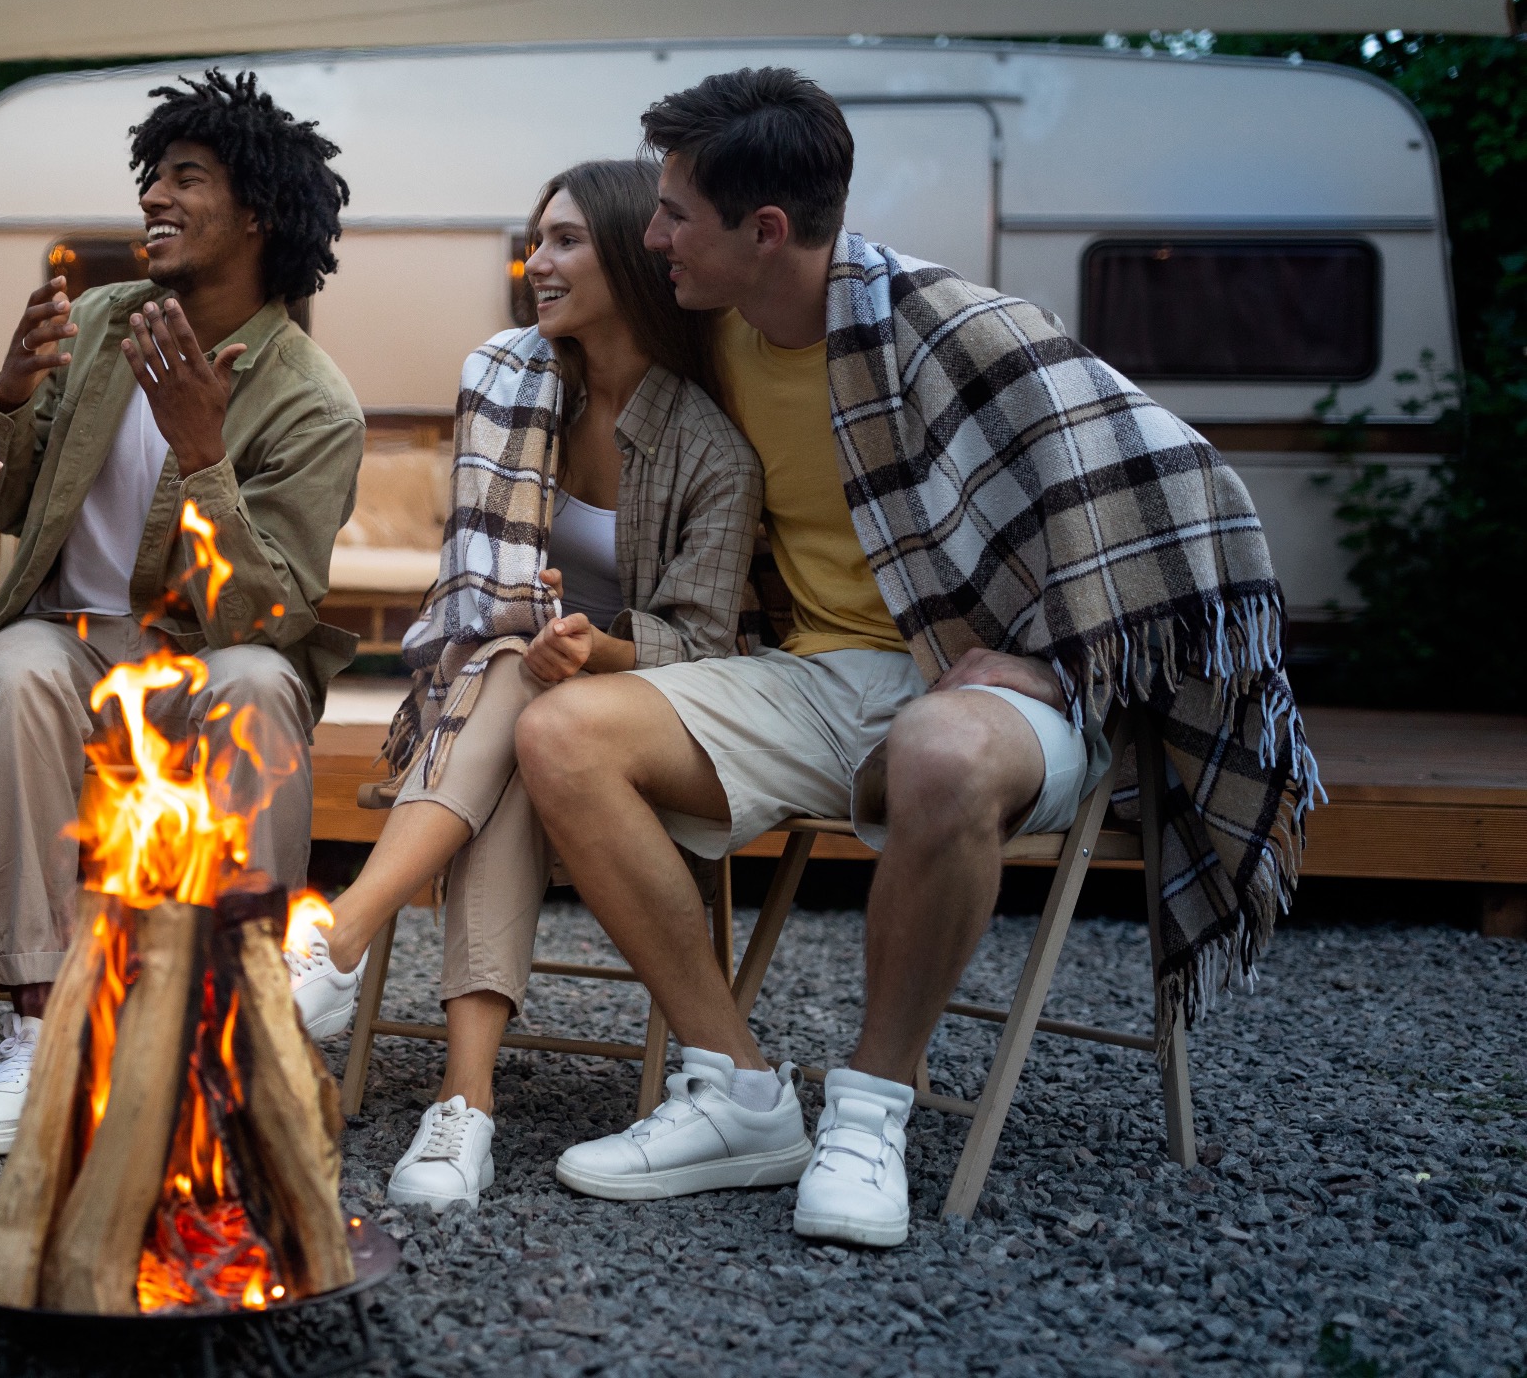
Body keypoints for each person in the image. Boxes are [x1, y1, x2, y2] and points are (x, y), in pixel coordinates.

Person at [518, 68, 1317, 1248]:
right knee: (563, 734)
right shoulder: (711, 340)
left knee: (941, 750)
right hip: (813, 675)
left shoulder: (953, 325)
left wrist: (1057, 661)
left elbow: (1199, 502)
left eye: (678, 212)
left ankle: (870, 1112)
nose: (655, 235)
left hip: (985, 684)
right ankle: (738, 1091)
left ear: (767, 231)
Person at [283, 159, 760, 1212]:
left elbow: (712, 649)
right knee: (509, 680)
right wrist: (549, 653)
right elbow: (477, 599)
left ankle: (340, 936)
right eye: (535, 239)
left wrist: (595, 652)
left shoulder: (711, 448)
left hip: (652, 716)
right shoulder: (510, 377)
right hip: (507, 701)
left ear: (637, 254)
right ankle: (465, 1105)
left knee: (521, 687)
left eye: (565, 241)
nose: (535, 262)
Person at [0, 69, 364, 1156]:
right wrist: (13, 392)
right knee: (18, 666)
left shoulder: (313, 400)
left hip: (203, 660)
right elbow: (0, 498)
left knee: (263, 686)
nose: (152, 200)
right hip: (72, 649)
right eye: (152, 177)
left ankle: (230, 1035)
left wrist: (205, 453)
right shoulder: (104, 321)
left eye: (186, 178)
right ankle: (39, 1035)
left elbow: (266, 618)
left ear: (257, 213)